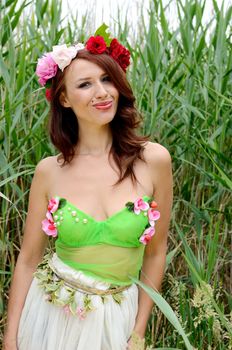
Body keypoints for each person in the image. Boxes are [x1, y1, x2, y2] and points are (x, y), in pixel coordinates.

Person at [3, 25, 173, 350]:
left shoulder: (154, 161)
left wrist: (138, 330)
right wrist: (10, 338)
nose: (103, 92)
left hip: (116, 317)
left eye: (107, 79)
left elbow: (156, 253)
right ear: (64, 98)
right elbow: (28, 259)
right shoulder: (49, 172)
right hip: (51, 314)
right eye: (85, 84)